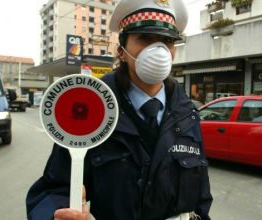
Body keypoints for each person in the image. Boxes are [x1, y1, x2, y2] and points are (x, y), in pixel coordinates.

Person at [26, 0, 213, 219]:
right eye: (145, 38)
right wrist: (55, 214)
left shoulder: (187, 113)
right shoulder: (93, 107)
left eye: (167, 41)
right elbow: (54, 189)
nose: (159, 50)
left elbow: (201, 195)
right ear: (121, 51)